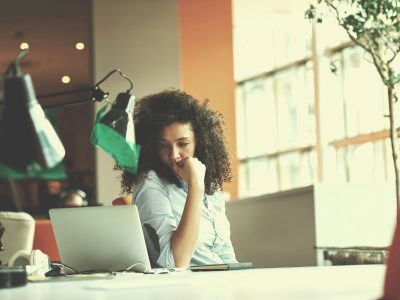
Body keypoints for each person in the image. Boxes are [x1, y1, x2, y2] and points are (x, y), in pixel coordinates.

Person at [116, 89, 237, 269]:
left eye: (183, 144)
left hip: (220, 283)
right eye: (163, 145)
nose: (173, 155)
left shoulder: (210, 183)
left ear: (201, 141)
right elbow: (175, 263)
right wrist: (196, 187)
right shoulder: (150, 182)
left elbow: (225, 254)